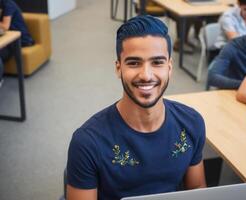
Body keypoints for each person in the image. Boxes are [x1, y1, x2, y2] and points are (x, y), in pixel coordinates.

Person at [66, 15, 206, 200]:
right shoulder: (87, 142)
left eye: (157, 62)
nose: (146, 75)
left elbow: (197, 188)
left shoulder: (192, 122)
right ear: (118, 68)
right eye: (134, 63)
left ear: (170, 67)